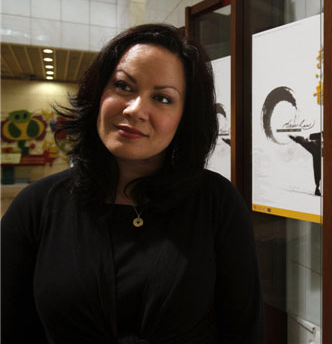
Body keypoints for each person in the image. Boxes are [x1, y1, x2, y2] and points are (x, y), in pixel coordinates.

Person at [1, 24, 264, 343]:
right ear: (99, 93)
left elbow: (244, 331)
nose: (136, 110)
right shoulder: (38, 205)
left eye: (163, 98)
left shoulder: (217, 202)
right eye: (124, 86)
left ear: (185, 117)